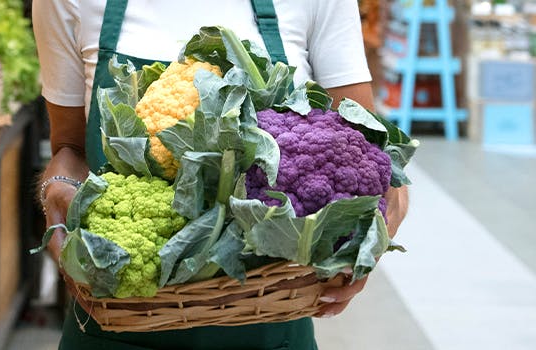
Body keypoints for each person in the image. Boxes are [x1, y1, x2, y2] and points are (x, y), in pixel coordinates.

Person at [32, 0, 409, 349]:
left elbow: (370, 150)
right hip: (114, 325)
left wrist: (369, 239)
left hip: (272, 332)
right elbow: (69, 148)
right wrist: (56, 189)